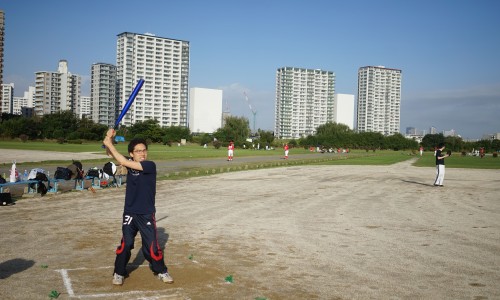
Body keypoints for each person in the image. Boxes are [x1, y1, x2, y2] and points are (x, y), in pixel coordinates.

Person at [103, 129, 174, 286]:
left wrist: (109, 144)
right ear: (132, 153)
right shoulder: (130, 163)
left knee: (151, 247)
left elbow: (122, 161)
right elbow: (112, 155)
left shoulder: (149, 166)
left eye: (144, 150)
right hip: (129, 212)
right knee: (126, 244)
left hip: (146, 214)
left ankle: (161, 270)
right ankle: (119, 272)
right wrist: (109, 140)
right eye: (138, 151)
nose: (142, 153)